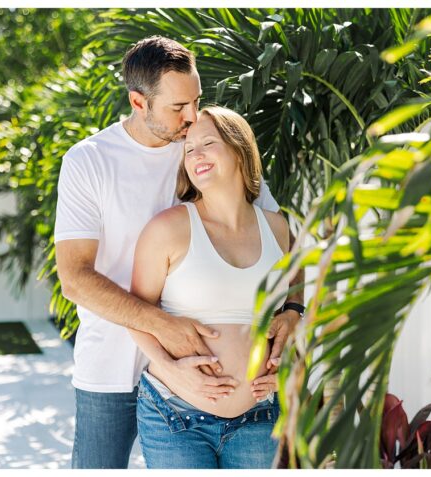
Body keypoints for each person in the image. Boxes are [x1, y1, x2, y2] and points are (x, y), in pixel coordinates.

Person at [54, 36, 303, 469]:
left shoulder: (205, 147)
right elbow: (75, 277)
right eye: (177, 108)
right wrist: (163, 329)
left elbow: (281, 238)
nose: (191, 117)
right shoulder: (90, 161)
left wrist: (294, 310)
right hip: (110, 368)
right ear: (138, 101)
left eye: (197, 101)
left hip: (206, 386)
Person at [130, 106, 290, 468]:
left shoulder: (277, 228)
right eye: (188, 149)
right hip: (175, 414)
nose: (196, 155)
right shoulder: (167, 228)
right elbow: (135, 315)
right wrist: (169, 370)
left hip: (258, 416)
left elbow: (289, 306)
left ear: (239, 149)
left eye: (208, 143)